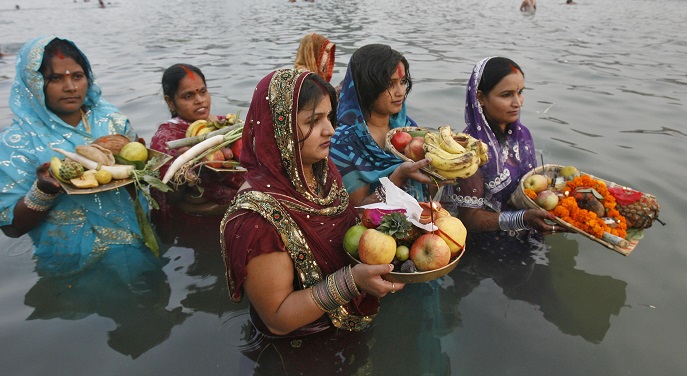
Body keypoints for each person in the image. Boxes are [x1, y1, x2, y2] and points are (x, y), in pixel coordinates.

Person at [221, 68, 404, 337]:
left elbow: (351, 227)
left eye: (329, 117)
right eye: (313, 121)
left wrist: (398, 184)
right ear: (279, 129)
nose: (330, 130)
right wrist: (352, 281)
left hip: (348, 328)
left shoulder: (321, 170)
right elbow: (277, 319)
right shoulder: (256, 218)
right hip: (301, 348)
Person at [0, 36, 159, 278]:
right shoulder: (18, 142)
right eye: (55, 78)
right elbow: (11, 227)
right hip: (70, 264)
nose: (71, 87)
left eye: (77, 76)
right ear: (33, 83)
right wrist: (44, 190)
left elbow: (138, 190)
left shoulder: (112, 121)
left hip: (136, 246)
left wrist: (141, 168)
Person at [444, 57, 559, 240]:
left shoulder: (522, 134)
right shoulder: (469, 150)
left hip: (529, 234)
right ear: (480, 97)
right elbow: (469, 220)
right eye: (506, 95)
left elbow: (530, 188)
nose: (518, 103)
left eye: (520, 92)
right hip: (486, 250)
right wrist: (521, 219)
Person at [329, 44, 434, 206]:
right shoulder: (343, 142)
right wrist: (398, 176)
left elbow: (427, 191)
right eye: (390, 84)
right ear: (366, 87)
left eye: (403, 81)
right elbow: (358, 210)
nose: (400, 92)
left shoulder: (407, 128)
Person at [149, 63, 244, 217]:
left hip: (233, 212)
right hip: (193, 224)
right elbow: (169, 197)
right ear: (170, 102)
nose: (199, 100)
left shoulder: (226, 124)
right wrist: (184, 169)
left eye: (203, 92)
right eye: (188, 96)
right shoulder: (166, 139)